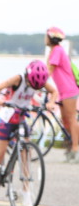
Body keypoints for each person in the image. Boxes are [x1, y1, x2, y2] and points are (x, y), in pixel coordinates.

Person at [0, 61, 58, 206]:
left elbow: (53, 91)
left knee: (26, 156)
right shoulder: (18, 79)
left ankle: (26, 193)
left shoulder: (39, 82)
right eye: (32, 84)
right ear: (27, 76)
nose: (34, 88)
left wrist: (51, 103)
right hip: (7, 117)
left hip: (21, 117)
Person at [45, 27, 79, 161]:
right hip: (62, 91)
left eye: (46, 36)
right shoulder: (54, 51)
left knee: (71, 119)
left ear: (51, 38)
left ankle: (75, 149)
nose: (45, 39)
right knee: (65, 121)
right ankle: (73, 145)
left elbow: (48, 70)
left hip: (69, 90)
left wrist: (37, 83)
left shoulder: (57, 51)